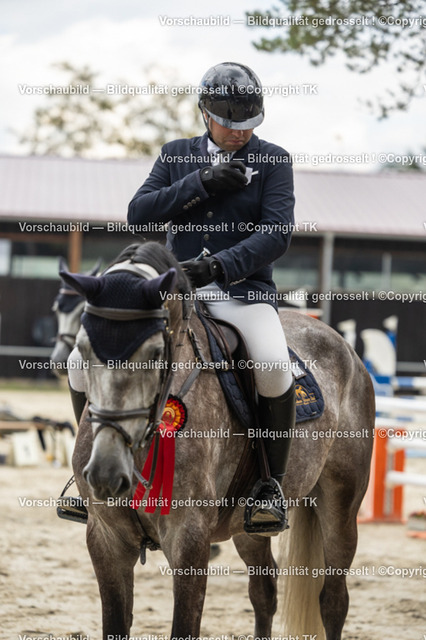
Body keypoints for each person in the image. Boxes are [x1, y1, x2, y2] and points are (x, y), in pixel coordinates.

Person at [127, 62, 296, 534]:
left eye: (248, 124)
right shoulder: (175, 154)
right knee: (87, 360)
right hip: (174, 292)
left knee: (273, 365)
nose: (240, 133)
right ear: (204, 113)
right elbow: (139, 215)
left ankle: (270, 485)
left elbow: (277, 233)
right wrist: (200, 181)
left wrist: (220, 266)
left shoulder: (274, 161)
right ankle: (86, 476)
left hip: (243, 293)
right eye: (228, 123)